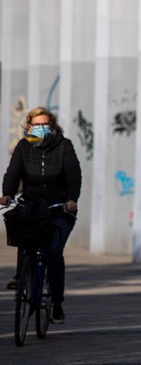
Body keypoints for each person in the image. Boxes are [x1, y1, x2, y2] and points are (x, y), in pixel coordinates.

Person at [0, 106, 82, 324]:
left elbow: (74, 174)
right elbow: (12, 172)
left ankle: (56, 303)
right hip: (32, 204)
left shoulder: (64, 146)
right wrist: (7, 194)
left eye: (44, 124)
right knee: (23, 233)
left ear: (52, 126)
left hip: (59, 207)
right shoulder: (24, 147)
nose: (40, 128)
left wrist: (72, 199)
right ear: (29, 126)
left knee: (54, 252)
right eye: (36, 125)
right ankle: (21, 275)